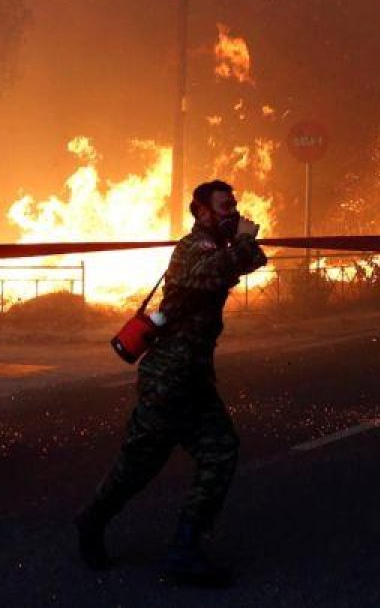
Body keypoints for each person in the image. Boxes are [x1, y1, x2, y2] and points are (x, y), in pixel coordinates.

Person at [76, 180, 267, 586]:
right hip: (166, 379)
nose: (232, 212)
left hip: (192, 378)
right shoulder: (191, 249)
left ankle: (185, 547)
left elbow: (255, 261)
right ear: (201, 212)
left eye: (235, 205)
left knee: (220, 451)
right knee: (139, 466)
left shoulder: (220, 248)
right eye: (224, 206)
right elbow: (209, 274)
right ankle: (92, 521)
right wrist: (244, 243)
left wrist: (245, 244)